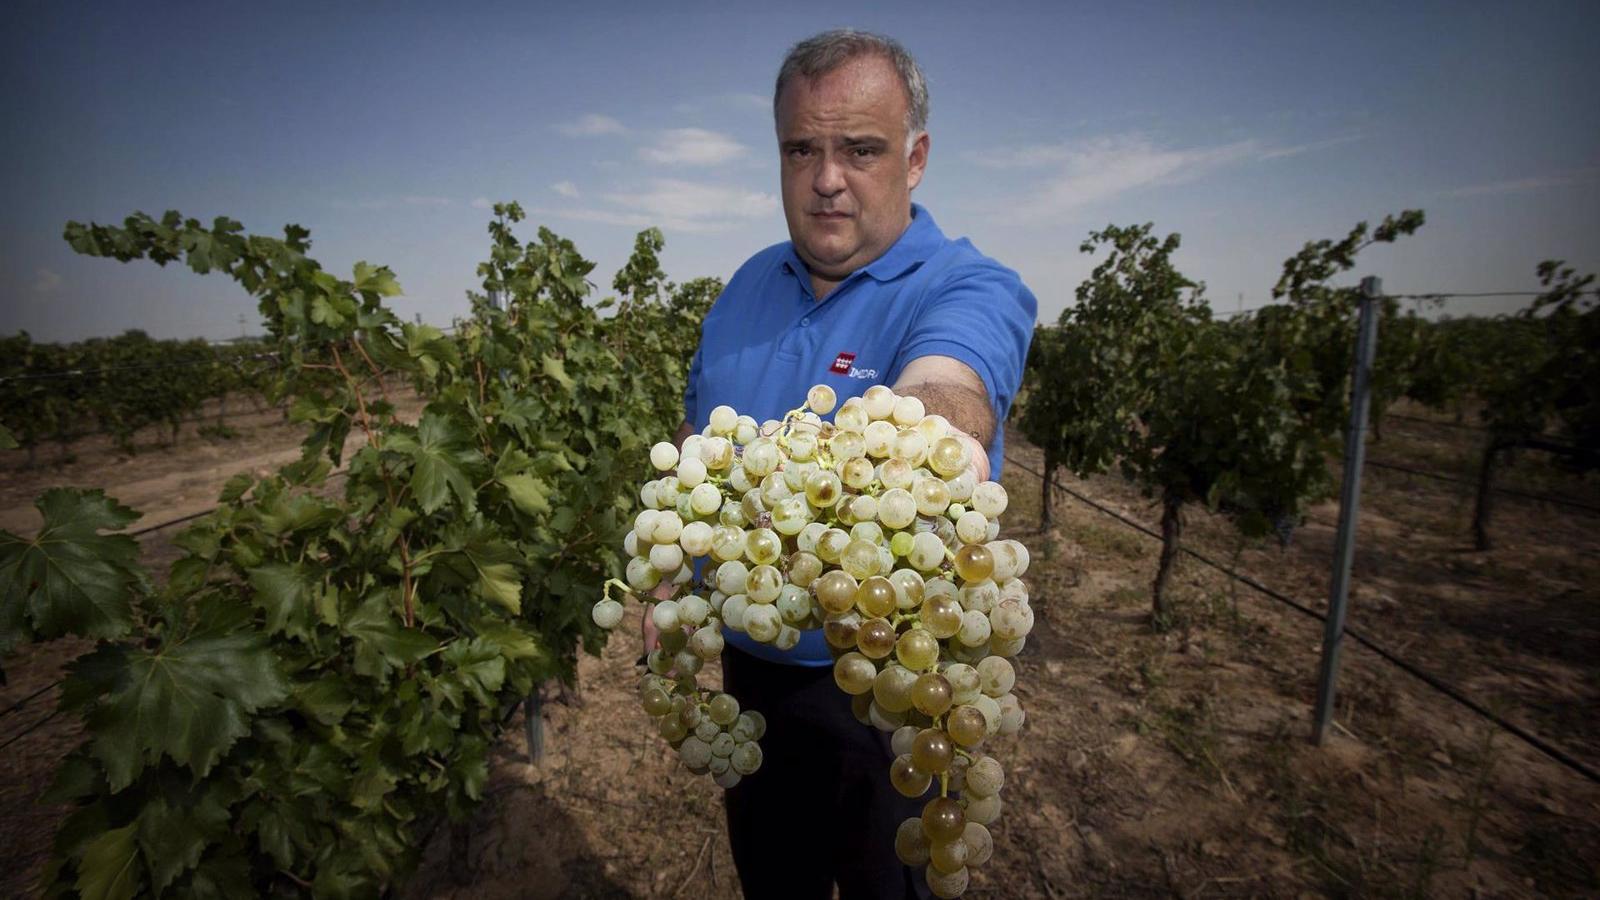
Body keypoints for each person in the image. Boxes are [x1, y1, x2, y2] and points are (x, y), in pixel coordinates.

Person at [650, 29, 1036, 899]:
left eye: (860, 149)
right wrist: (675, 575)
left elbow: (949, 386)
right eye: (802, 149)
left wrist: (942, 441)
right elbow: (694, 436)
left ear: (916, 157)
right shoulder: (742, 288)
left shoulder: (966, 284)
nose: (827, 178)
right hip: (749, 675)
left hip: (889, 689)